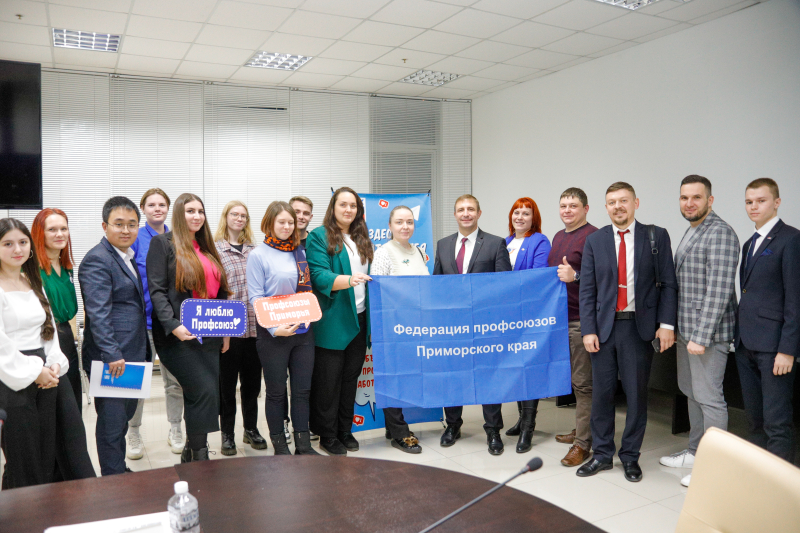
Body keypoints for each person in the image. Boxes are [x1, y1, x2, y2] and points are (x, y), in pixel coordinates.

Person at [576, 182, 677, 482]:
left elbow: (668, 284)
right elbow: (587, 289)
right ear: (606, 207)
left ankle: (630, 456)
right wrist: (588, 330)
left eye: (623, 201)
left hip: (638, 328)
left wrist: (666, 325)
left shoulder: (655, 236)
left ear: (636, 203)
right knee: (602, 395)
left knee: (635, 396)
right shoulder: (595, 240)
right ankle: (602, 454)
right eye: (612, 202)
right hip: (603, 330)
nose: (618, 206)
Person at [659, 176, 739, 487]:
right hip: (687, 331)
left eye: (696, 197)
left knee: (709, 398)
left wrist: (701, 337)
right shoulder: (694, 229)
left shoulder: (720, 233)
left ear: (710, 200)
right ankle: (696, 452)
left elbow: (718, 291)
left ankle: (715, 466)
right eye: (684, 198)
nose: (689, 203)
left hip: (707, 336)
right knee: (691, 392)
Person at [147, 193, 229, 462]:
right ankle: (200, 455)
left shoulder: (207, 247)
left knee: (206, 393)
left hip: (211, 333)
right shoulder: (163, 244)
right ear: (179, 214)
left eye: (200, 211)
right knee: (201, 390)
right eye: (190, 211)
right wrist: (173, 326)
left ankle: (191, 452)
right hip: (178, 336)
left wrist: (226, 331)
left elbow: (221, 292)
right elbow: (157, 291)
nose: (197, 216)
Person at [432, 194, 512, 455]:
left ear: (479, 213)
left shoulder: (495, 243)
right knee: (452, 376)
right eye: (461, 210)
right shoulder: (443, 245)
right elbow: (437, 286)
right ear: (455, 214)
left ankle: (493, 430)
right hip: (452, 327)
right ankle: (453, 426)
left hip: (485, 325)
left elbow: (505, 286)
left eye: (470, 209)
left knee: (489, 376)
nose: (465, 213)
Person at [79, 197, 151, 476]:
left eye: (132, 225)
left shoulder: (125, 256)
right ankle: (112, 478)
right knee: (111, 422)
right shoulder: (98, 259)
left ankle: (118, 470)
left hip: (130, 352)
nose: (126, 230)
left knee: (122, 418)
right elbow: (98, 313)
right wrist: (111, 354)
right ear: (104, 226)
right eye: (118, 224)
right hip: (113, 359)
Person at [0, 218, 69, 488]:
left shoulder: (32, 281)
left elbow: (47, 328)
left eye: (22, 242)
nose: (17, 249)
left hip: (45, 377)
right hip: (11, 379)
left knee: (44, 455)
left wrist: (53, 364)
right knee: (22, 460)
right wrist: (34, 371)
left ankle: (42, 509)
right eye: (7, 244)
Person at [247, 201, 319, 455]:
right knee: (276, 393)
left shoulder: (299, 252)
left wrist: (303, 319)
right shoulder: (258, 255)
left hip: (303, 330)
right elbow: (255, 297)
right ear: (270, 223)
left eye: (291, 222)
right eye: (282, 222)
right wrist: (274, 328)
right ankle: (280, 447)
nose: (287, 227)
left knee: (302, 391)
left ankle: (303, 446)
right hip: (273, 334)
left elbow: (307, 290)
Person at [735, 178, 799, 463]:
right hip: (746, 344)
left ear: (777, 202)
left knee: (777, 421)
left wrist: (787, 349)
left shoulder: (791, 239)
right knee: (755, 419)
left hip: (774, 348)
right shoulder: (749, 243)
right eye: (749, 202)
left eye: (761, 201)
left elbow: (795, 300)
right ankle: (758, 476)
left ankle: (779, 483)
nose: (754, 207)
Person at [306, 187, 372, 456]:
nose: (348, 209)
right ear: (333, 207)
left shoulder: (361, 238)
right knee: (328, 381)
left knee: (350, 379)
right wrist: (349, 280)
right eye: (343, 204)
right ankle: (327, 434)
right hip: (333, 318)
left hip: (359, 318)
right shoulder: (319, 236)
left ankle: (345, 430)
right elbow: (318, 274)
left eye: (353, 205)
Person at [128, 188, 185, 458]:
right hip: (143, 324)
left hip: (171, 324)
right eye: (151, 205)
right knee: (137, 382)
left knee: (174, 382)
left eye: (162, 204)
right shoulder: (135, 238)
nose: (157, 209)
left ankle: (176, 428)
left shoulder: (177, 238)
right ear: (143, 209)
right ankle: (133, 432)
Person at [370, 205, 427, 454]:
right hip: (393, 327)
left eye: (410, 222)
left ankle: (392, 427)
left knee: (405, 377)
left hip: (416, 327)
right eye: (399, 222)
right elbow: (378, 293)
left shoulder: (418, 252)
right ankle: (400, 433)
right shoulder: (384, 253)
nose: (405, 226)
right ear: (390, 226)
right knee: (393, 377)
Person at [549, 188, 598, 468]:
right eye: (563, 205)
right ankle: (581, 430)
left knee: (584, 384)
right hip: (559, 320)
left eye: (573, 205)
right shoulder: (558, 236)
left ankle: (583, 443)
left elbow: (604, 278)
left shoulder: (595, 236)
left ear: (586, 209)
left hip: (581, 320)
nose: (567, 210)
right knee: (574, 382)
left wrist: (576, 275)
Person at [214, 200, 266, 456]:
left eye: (243, 215)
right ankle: (227, 434)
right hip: (228, 330)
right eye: (234, 214)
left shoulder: (256, 250)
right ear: (226, 217)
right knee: (226, 386)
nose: (239, 218)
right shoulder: (215, 250)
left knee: (252, 385)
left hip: (255, 327)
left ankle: (251, 429)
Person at [503, 197, 551, 454]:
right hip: (507, 318)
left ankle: (528, 428)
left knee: (528, 368)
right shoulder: (505, 242)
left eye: (526, 213)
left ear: (534, 218)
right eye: (516, 212)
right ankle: (521, 419)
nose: (520, 217)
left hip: (529, 316)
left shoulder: (539, 241)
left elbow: (537, 277)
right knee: (515, 369)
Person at [31, 209, 81, 410]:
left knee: (73, 404)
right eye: (52, 229)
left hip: (66, 337)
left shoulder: (66, 267)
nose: (60, 234)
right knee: (54, 405)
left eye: (63, 229)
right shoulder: (31, 269)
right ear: (39, 233)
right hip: (43, 338)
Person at [284, 195, 316, 442]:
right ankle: (283, 423)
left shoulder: (315, 243)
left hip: (309, 318)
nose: (301, 217)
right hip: (282, 317)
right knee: (280, 382)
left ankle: (304, 426)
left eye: (306, 213)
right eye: (297, 212)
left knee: (304, 380)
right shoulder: (279, 243)